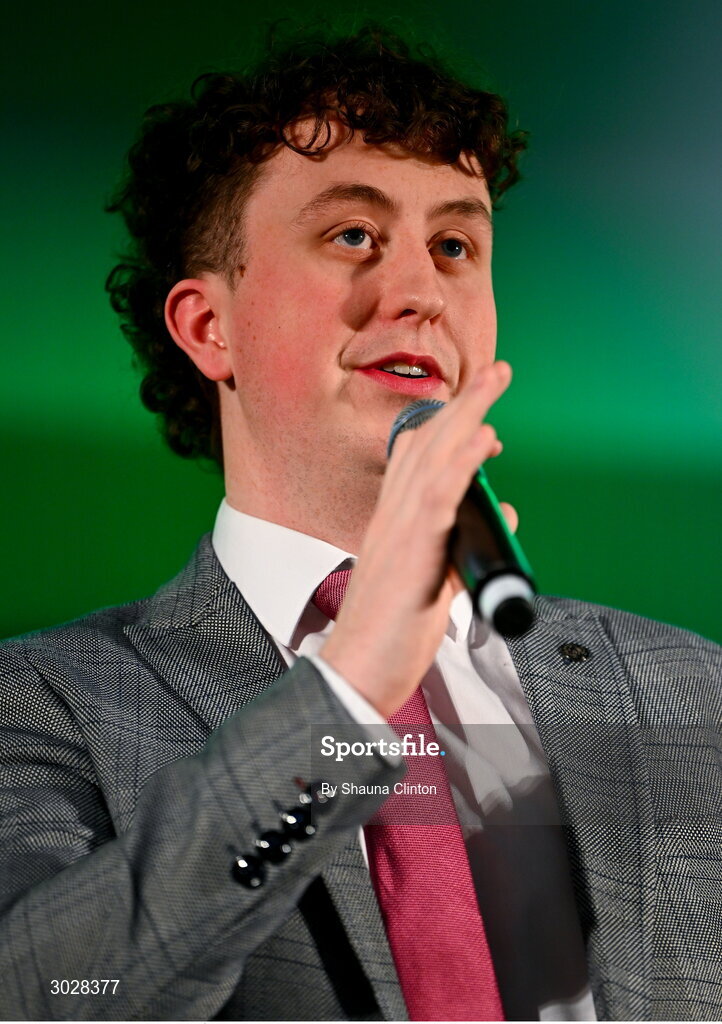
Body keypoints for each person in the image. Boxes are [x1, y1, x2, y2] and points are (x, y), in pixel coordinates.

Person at [1, 26, 719, 1023]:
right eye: (352, 236)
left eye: (454, 246)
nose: (419, 293)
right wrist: (347, 692)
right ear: (209, 326)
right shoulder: (43, 700)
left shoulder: (696, 692)